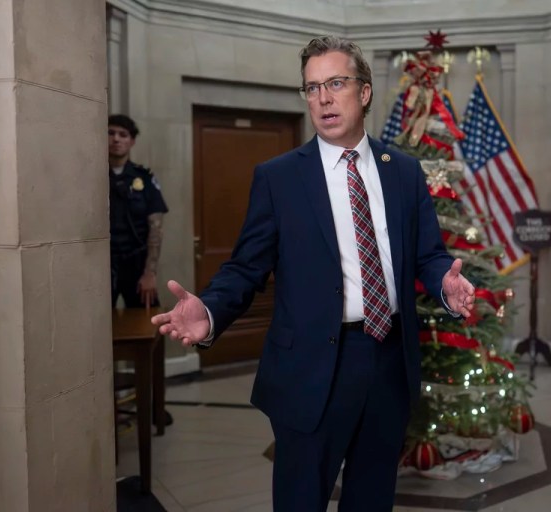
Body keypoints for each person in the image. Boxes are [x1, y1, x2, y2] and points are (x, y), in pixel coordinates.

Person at [151, 36, 476, 511]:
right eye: (311, 88)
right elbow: (246, 266)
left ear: (363, 92)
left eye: (336, 83)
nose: (322, 98)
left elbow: (427, 254)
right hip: (310, 369)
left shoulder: (403, 172)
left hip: (387, 362)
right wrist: (211, 310)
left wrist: (445, 283)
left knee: (371, 499)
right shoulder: (279, 177)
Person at [108, 114, 168, 309]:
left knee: (150, 322)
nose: (116, 139)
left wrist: (150, 273)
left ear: (132, 141)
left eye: (123, 134)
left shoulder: (145, 178)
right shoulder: (91, 177)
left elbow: (156, 229)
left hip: (135, 265)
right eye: (110, 133)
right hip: (101, 265)